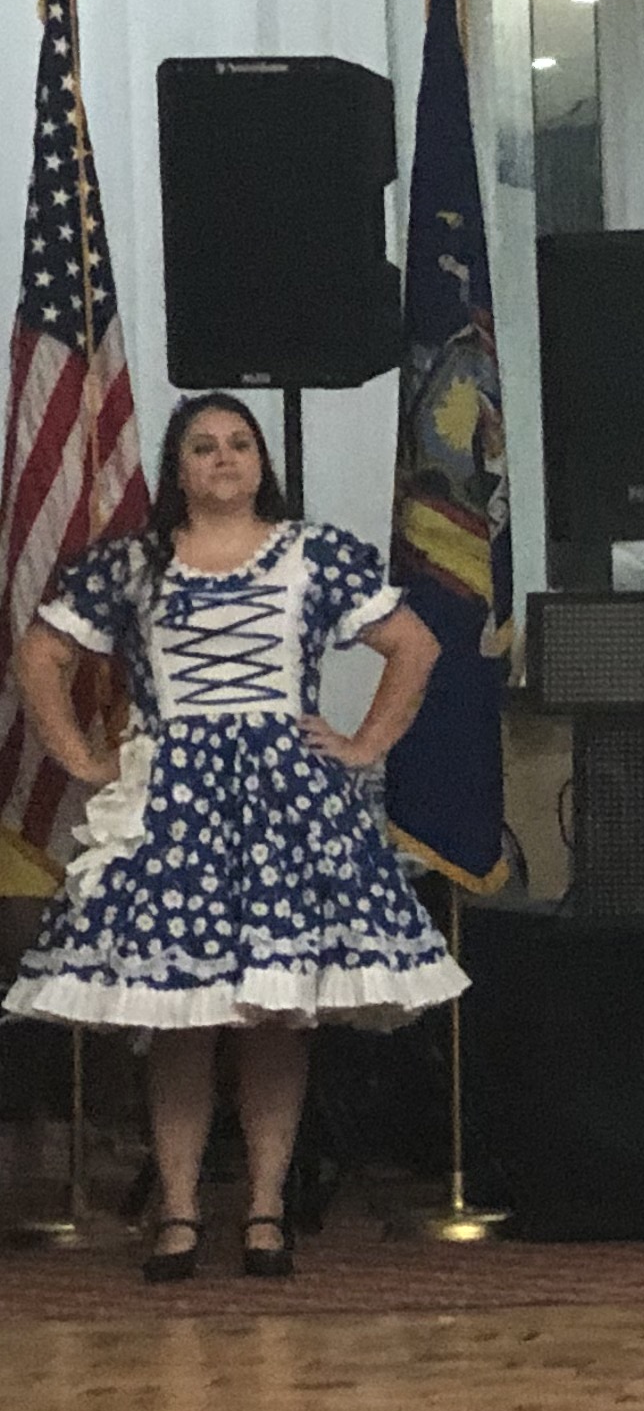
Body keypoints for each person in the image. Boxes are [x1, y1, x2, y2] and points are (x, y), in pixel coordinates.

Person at [2, 391, 462, 1278]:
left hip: (287, 806)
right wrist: (83, 759)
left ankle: (264, 1209)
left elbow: (415, 646)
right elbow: (39, 655)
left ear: (261, 463)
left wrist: (365, 743)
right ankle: (178, 1211)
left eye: (240, 445)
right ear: (178, 467)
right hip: (173, 810)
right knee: (181, 1017)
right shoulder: (134, 566)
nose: (223, 459)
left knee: (274, 1014)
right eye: (204, 446)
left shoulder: (313, 554)